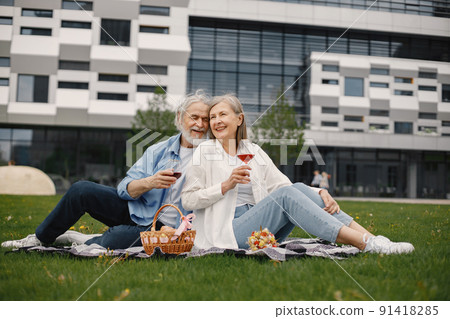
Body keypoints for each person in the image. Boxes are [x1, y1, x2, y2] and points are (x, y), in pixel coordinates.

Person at [181, 94, 414, 255]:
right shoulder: (205, 151)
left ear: (239, 118)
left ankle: (377, 240)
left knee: (298, 189)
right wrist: (225, 185)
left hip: (259, 227)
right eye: (212, 117)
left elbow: (283, 185)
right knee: (286, 196)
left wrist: (321, 191)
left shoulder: (252, 151)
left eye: (222, 114)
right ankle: (365, 244)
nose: (216, 121)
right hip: (227, 232)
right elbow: (189, 199)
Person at [2, 91, 211, 249]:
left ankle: (80, 239)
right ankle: (40, 239)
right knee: (81, 190)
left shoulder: (211, 155)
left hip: (169, 228)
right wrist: (151, 182)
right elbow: (123, 189)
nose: (200, 124)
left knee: (115, 238)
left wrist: (183, 230)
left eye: (205, 119)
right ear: (180, 117)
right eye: (194, 117)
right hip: (137, 210)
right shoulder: (160, 150)